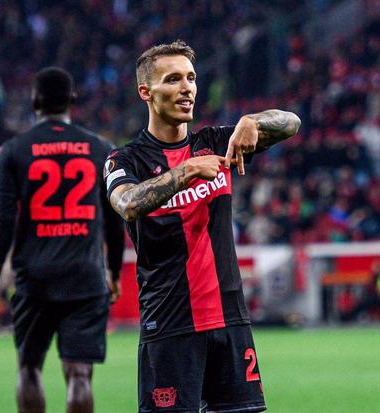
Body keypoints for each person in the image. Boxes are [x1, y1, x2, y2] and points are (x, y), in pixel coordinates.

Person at [105, 41, 300, 412]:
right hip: (170, 324)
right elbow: (128, 204)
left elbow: (291, 123)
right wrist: (187, 171)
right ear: (146, 92)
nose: (186, 88)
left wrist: (252, 121)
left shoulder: (216, 142)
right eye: (173, 79)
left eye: (191, 78)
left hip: (230, 320)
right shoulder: (125, 159)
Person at [0, 67, 124, 413]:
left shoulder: (13, 150)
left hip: (35, 277)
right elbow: (115, 220)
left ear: (34, 101)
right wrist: (114, 273)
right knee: (80, 374)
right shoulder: (101, 148)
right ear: (72, 99)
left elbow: (2, 222)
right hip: (85, 276)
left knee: (29, 367)